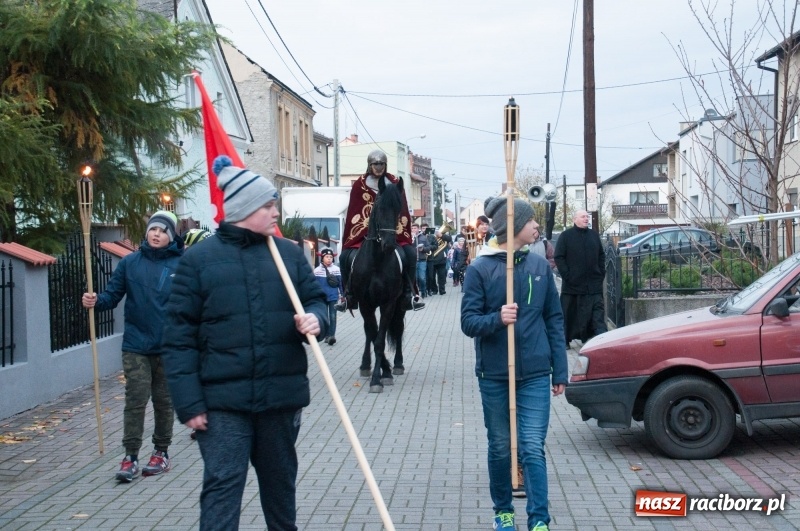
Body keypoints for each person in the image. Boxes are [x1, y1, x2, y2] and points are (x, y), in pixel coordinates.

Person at [162, 155, 327, 531]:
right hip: (222, 406)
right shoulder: (198, 262)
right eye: (268, 205)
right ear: (244, 209)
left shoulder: (289, 255)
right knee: (222, 489)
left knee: (280, 490)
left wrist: (317, 318)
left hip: (279, 399)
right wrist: (189, 403)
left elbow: (318, 301)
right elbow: (178, 338)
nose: (275, 212)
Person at [461, 197, 567, 531]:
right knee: (500, 447)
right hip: (494, 374)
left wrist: (560, 369)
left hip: (535, 373)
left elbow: (554, 319)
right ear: (513, 226)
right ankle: (503, 512)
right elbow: (468, 322)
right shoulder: (480, 269)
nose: (536, 226)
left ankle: (539, 519)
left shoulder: (539, 267)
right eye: (531, 220)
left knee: (532, 447)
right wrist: (497, 318)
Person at [81, 210, 182, 482]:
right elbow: (111, 296)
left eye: (163, 230)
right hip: (136, 345)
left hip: (169, 347)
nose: (156, 234)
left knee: (164, 402)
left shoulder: (183, 265)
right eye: (153, 229)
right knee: (135, 400)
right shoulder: (130, 263)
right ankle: (130, 456)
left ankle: (161, 451)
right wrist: (95, 301)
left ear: (171, 235)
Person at [335, 150, 424, 312]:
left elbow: (402, 210)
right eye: (375, 164)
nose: (378, 167)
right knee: (343, 257)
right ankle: (348, 296)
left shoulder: (395, 183)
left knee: (410, 254)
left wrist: (394, 228)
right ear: (369, 165)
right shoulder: (359, 185)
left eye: (381, 164)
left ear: (385, 165)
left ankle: (409, 294)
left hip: (391, 232)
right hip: (365, 235)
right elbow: (355, 212)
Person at [554, 210, 607, 346]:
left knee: (597, 315)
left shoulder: (594, 235)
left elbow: (601, 255)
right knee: (569, 314)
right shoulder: (566, 236)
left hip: (593, 285)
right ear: (574, 219)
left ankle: (601, 341)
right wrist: (567, 276)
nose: (586, 219)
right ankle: (565, 340)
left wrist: (601, 273)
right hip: (573, 286)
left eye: (587, 216)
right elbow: (559, 257)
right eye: (583, 216)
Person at [314, 247, 343, 345]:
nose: (329, 259)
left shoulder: (336, 270)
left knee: (333, 316)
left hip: (333, 297)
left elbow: (340, 284)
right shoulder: (316, 271)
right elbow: (314, 286)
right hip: (322, 298)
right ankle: (326, 335)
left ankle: (331, 336)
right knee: (324, 317)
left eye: (331, 257)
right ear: (322, 258)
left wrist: (342, 295)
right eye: (327, 257)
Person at [427, 227, 451, 295]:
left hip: (441, 260)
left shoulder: (442, 237)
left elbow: (449, 239)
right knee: (432, 277)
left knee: (442, 276)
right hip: (432, 259)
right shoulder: (429, 237)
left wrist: (441, 235)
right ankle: (434, 290)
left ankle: (442, 290)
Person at [412, 223, 432, 298]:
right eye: (412, 228)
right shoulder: (410, 238)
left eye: (415, 228)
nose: (413, 230)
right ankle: (416, 293)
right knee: (415, 278)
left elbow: (429, 247)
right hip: (413, 261)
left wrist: (423, 249)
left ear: (418, 229)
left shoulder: (423, 237)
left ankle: (423, 291)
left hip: (422, 260)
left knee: (422, 278)